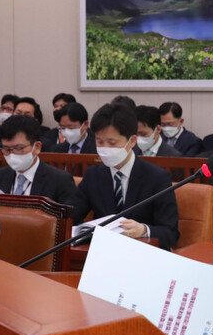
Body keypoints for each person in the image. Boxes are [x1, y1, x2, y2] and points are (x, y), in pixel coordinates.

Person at [71, 103, 178, 250]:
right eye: (100, 142)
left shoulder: (157, 178)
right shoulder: (93, 175)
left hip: (142, 255)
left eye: (112, 142)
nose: (105, 149)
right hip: (102, 254)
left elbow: (171, 233)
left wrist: (144, 230)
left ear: (132, 141)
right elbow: (72, 215)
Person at [0, 115, 76, 205]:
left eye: (19, 148)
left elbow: (69, 218)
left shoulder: (60, 180)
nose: (12, 154)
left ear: (37, 147)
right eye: (6, 149)